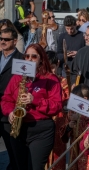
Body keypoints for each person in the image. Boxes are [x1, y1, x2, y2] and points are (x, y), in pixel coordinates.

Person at [1, 43, 62, 170]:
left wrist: (35, 100)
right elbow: (6, 99)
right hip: (19, 128)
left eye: (34, 56)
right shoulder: (17, 77)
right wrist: (11, 112)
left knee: (35, 167)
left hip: (41, 130)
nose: (29, 59)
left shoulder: (50, 79)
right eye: (27, 56)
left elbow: (57, 106)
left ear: (41, 59)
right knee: (19, 166)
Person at [0, 27, 23, 170]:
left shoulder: (21, 59)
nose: (3, 42)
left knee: (13, 150)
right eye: (1, 38)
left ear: (15, 41)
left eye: (6, 39)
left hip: (10, 111)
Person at [61, 84, 89, 170]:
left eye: (76, 99)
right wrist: (69, 126)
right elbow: (63, 133)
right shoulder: (72, 112)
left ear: (85, 99)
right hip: (74, 147)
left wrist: (80, 119)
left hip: (86, 148)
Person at [45, 51, 70, 170]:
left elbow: (68, 99)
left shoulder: (63, 81)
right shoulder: (42, 81)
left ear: (58, 64)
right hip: (45, 122)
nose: (51, 71)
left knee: (58, 152)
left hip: (60, 122)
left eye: (53, 68)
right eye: (48, 68)